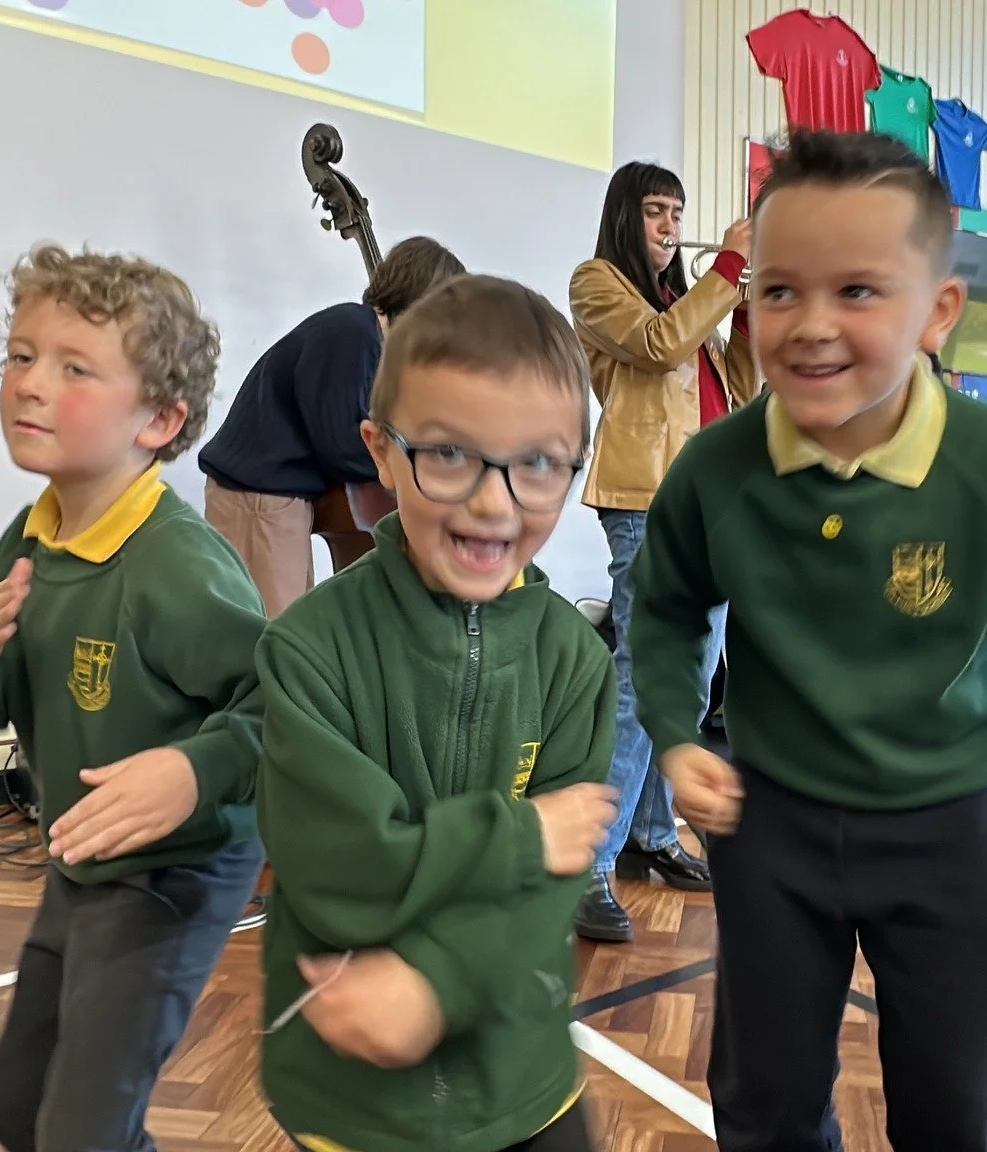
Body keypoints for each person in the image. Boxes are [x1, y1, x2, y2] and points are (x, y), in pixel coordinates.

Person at [628, 129, 987, 1152]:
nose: (811, 325)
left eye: (857, 290)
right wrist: (679, 736)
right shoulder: (714, 472)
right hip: (772, 828)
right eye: (779, 291)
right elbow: (667, 607)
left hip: (953, 834)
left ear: (939, 311)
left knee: (957, 1116)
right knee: (763, 1108)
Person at [0, 243, 266, 1151]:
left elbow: (288, 708)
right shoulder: (31, 541)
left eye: (74, 369)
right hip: (83, 861)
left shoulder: (176, 565)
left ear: (159, 419)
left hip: (177, 871)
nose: (29, 384)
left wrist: (193, 771)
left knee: (83, 1133)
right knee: (15, 1109)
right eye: (20, 356)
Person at [253, 274, 618, 1152]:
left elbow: (553, 890)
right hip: (356, 1100)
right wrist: (521, 837)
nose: (494, 502)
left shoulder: (574, 661)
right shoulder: (307, 649)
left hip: (524, 1080)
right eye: (449, 453)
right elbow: (344, 870)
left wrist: (439, 984)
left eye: (538, 464)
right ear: (381, 452)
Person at [568, 160, 759, 943]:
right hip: (646, 503)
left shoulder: (691, 300)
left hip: (708, 508)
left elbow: (742, 387)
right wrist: (731, 267)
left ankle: (650, 835)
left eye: (677, 212)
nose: (671, 225)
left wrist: (750, 308)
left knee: (692, 680)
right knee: (645, 678)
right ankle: (589, 864)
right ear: (626, 216)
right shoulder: (598, 285)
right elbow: (656, 346)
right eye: (656, 211)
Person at [198, 236, 466, 615]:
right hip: (258, 493)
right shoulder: (352, 331)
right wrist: (413, 473)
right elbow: (343, 445)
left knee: (289, 624)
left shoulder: (365, 337)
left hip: (276, 496)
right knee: (269, 630)